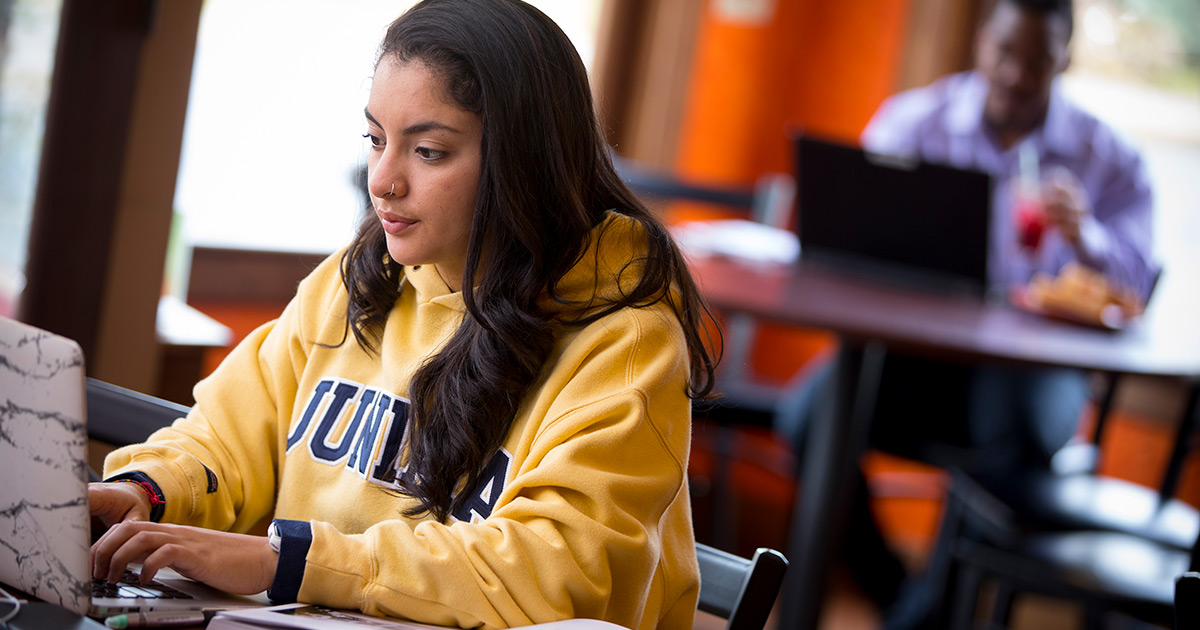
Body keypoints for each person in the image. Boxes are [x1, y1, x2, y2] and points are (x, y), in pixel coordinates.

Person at [87, 1, 717, 628]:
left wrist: (289, 562)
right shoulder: (359, 278)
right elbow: (227, 438)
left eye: (430, 151)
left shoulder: (626, 339)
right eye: (376, 139)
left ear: (521, 162)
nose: (382, 179)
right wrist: (146, 492)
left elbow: (555, 573)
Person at [776, 0, 1156, 625]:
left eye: (1038, 58)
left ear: (1066, 58)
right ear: (982, 42)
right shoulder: (915, 123)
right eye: (1006, 52)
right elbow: (847, 241)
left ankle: (923, 617)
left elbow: (1138, 285)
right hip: (917, 365)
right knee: (811, 418)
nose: (1016, 73)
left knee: (1014, 434)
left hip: (1036, 371)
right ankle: (903, 600)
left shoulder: (1108, 159)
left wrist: (1087, 237)